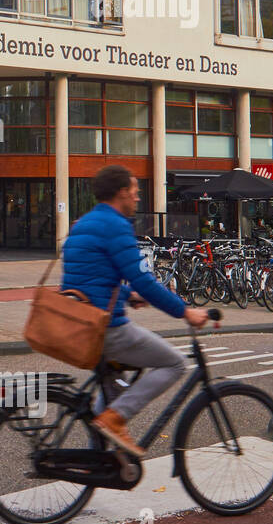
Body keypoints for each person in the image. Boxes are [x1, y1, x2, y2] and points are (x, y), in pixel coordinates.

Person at [62, 165, 209, 456]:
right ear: (121, 193)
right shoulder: (116, 226)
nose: (138, 198)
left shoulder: (83, 224)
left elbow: (91, 276)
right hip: (106, 328)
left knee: (117, 389)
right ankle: (114, 421)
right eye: (135, 192)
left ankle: (106, 459)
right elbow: (145, 279)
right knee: (174, 363)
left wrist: (128, 295)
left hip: (79, 323)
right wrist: (185, 312)